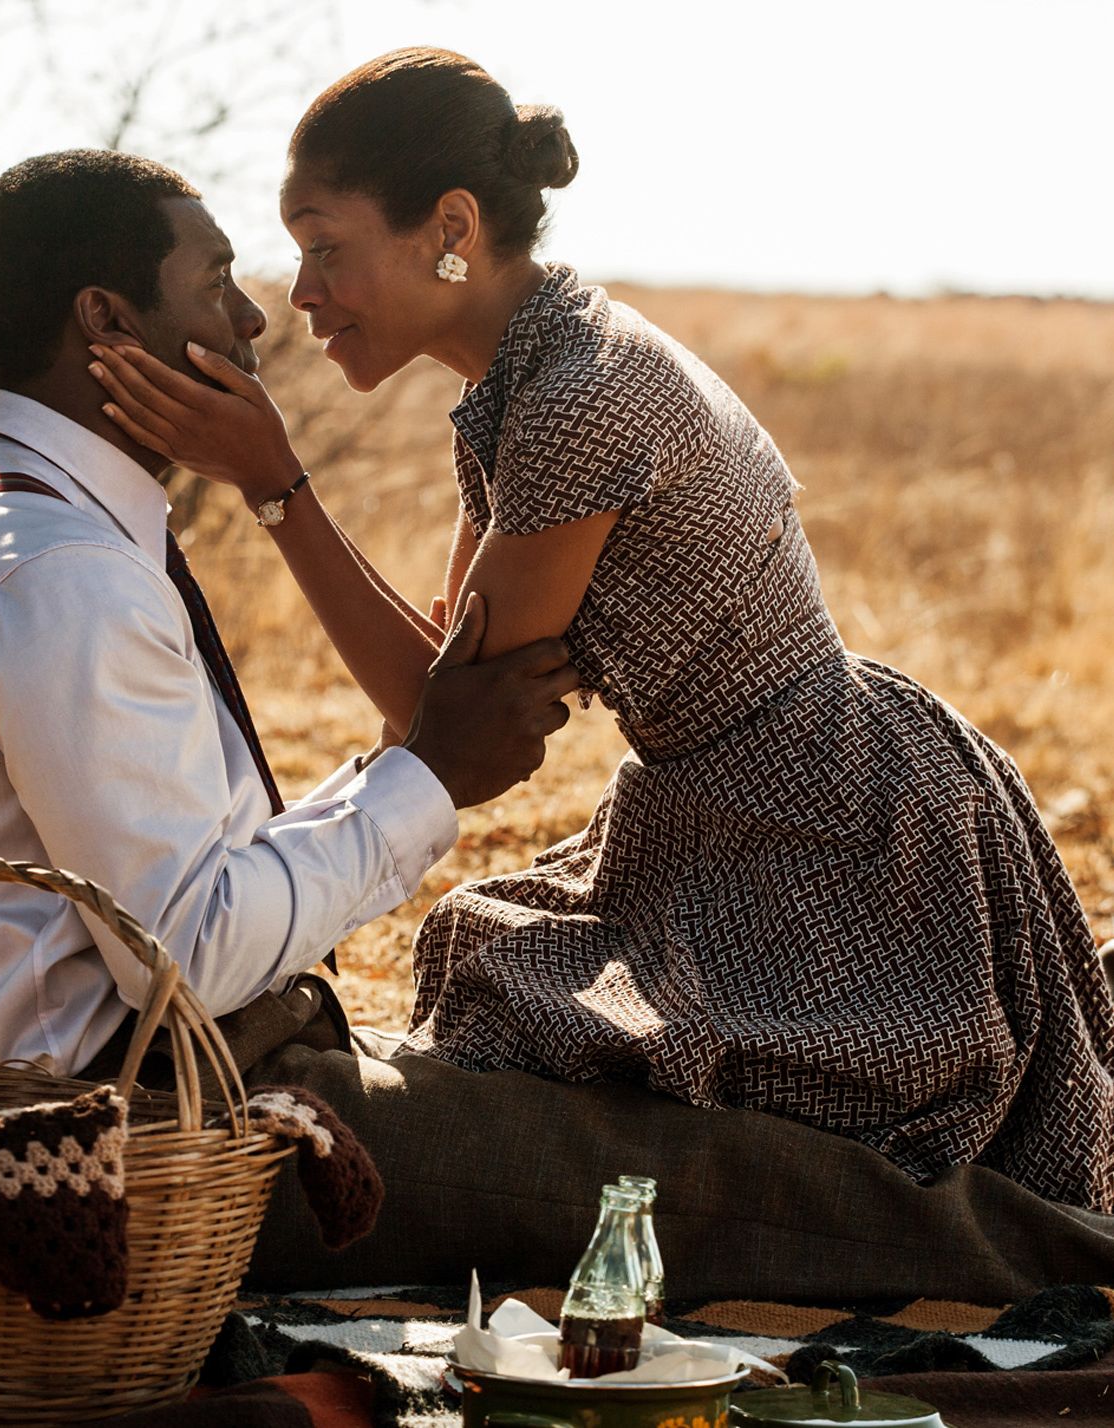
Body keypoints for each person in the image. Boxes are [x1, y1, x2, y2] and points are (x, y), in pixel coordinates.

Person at [87, 45, 1114, 1224]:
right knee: (489, 970)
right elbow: (438, 706)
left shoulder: (582, 391)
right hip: (734, 804)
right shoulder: (530, 374)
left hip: (826, 830)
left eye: (325, 245)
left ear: (450, 225)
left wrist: (279, 491)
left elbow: (445, 731)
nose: (298, 293)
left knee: (569, 1041)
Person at [0, 148, 578, 1080]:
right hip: (105, 1127)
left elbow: (185, 885)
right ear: (106, 318)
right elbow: (191, 958)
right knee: (647, 1166)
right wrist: (429, 775)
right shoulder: (64, 575)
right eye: (216, 281)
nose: (253, 317)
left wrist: (397, 769)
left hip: (71, 1074)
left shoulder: (3, 507)